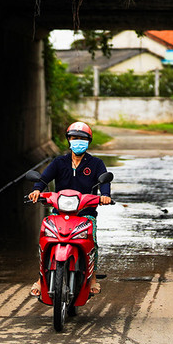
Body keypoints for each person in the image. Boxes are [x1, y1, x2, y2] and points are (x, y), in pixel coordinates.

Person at [29, 121, 112, 297]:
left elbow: (104, 182)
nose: (78, 141)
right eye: (74, 138)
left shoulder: (96, 164)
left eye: (82, 139)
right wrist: (37, 190)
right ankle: (41, 278)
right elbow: (44, 179)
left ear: (88, 141)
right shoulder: (59, 162)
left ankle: (93, 278)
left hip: (85, 213)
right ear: (69, 140)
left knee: (92, 243)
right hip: (59, 212)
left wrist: (105, 195)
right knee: (46, 241)